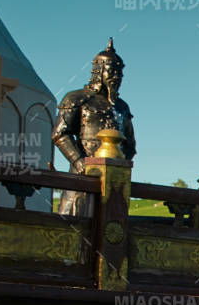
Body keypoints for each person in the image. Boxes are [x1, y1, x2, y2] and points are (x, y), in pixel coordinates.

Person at [52, 39, 136, 216]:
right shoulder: (77, 98)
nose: (116, 77)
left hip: (114, 181)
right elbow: (60, 134)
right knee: (74, 223)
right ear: (99, 71)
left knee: (112, 226)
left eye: (120, 73)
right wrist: (79, 161)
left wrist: (119, 166)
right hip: (82, 176)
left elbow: (130, 144)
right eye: (112, 71)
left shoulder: (121, 107)